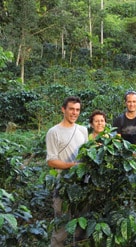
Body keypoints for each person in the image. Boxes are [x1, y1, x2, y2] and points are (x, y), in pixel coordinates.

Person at [46, 96, 88, 247]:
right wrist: (73, 165)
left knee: (82, 227)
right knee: (62, 227)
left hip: (83, 184)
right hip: (63, 185)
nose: (74, 113)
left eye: (77, 110)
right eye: (71, 109)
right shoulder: (54, 132)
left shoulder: (83, 130)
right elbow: (51, 160)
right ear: (63, 109)